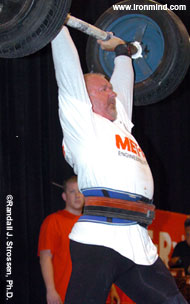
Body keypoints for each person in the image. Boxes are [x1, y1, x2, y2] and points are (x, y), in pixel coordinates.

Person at [51, 25, 187, 304]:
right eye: (104, 89)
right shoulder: (82, 123)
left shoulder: (121, 124)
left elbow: (124, 86)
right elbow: (67, 70)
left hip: (137, 241)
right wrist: (55, 26)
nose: (112, 94)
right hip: (99, 237)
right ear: (85, 97)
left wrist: (124, 53)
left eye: (110, 88)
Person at [38, 176, 120, 304]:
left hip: (94, 294)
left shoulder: (93, 223)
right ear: (64, 196)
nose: (77, 195)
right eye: (72, 191)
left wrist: (111, 288)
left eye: (80, 191)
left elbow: (101, 260)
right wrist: (51, 290)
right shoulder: (53, 221)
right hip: (65, 294)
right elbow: (45, 257)